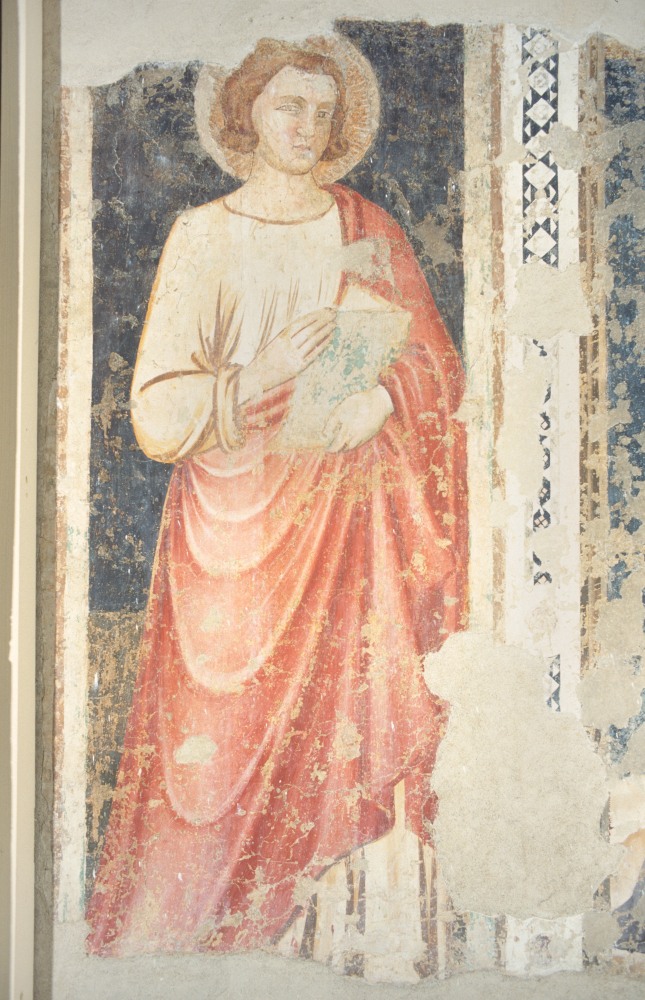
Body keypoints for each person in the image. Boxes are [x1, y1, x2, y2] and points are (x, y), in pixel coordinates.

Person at [86, 36, 467, 956]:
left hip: (344, 527)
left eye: (323, 112)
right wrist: (256, 375)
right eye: (288, 106)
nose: (307, 127)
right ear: (245, 112)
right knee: (210, 748)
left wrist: (380, 399)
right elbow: (154, 414)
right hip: (225, 535)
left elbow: (435, 368)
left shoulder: (367, 227)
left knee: (336, 739)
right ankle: (184, 947)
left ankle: (316, 942)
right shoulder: (202, 235)